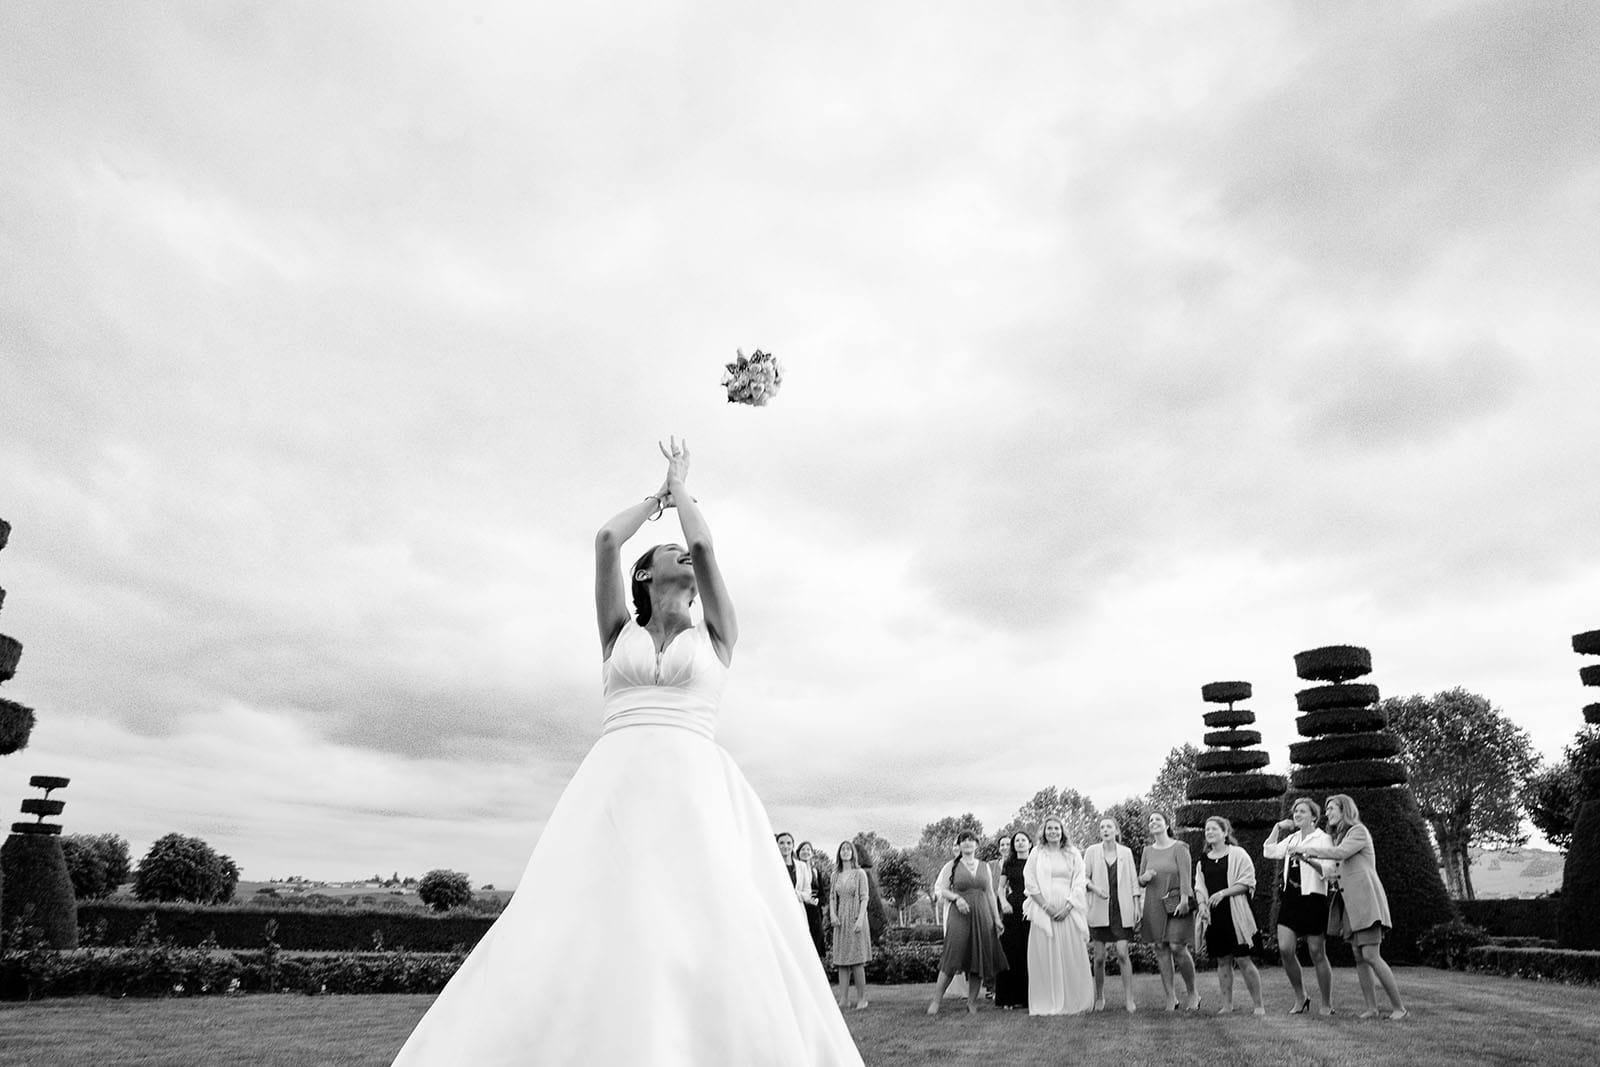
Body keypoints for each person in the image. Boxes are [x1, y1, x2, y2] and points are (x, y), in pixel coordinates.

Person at [391, 439, 863, 1066]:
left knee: (708, 922)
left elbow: (703, 547)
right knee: (591, 916)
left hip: (694, 791)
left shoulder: (717, 635)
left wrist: (682, 488)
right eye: (667, 552)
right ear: (645, 576)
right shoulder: (617, 633)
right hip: (614, 787)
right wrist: (656, 499)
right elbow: (606, 541)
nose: (683, 554)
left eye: (680, 548)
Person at [1291, 793, 1408, 1020]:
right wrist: (1307, 860)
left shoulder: (1358, 831)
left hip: (1366, 902)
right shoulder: (1341, 838)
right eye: (1327, 809)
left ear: (1345, 810)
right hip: (1351, 905)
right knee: (1359, 955)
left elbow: (1341, 854)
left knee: (1371, 955)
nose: (1327, 813)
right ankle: (1372, 1009)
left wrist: (1309, 849)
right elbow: (1333, 873)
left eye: (1331, 808)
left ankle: (1399, 1008)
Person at [1262, 797, 1334, 1015]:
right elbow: (1269, 851)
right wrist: (1277, 827)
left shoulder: (1324, 839)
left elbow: (1330, 871)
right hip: (1291, 898)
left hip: (1313, 898)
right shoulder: (1292, 838)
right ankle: (1301, 996)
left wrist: (1306, 858)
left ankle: (1326, 1004)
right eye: (1295, 812)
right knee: (1285, 949)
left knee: (1317, 952)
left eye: (1302, 811)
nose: (1297, 814)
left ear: (1314, 816)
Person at [927, 830, 1008, 1015]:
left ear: (976, 844)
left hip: (983, 914)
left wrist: (996, 919)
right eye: (963, 840)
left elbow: (990, 893)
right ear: (959, 845)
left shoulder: (984, 867)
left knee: (977, 958)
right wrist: (956, 898)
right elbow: (942, 890)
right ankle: (936, 1000)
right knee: (952, 957)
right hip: (959, 915)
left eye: (971, 840)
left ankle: (971, 1002)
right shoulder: (951, 866)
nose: (967, 843)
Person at [1022, 816, 1094, 1016]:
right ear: (1043, 832)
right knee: (1045, 957)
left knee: (1070, 954)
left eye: (1056, 828)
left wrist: (1068, 907)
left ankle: (1074, 1000)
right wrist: (1047, 908)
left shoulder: (1072, 853)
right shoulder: (1036, 853)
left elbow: (1079, 881)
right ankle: (1047, 1001)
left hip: (1068, 910)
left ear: (1062, 831)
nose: (1053, 832)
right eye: (1049, 828)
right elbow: (1030, 883)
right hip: (1043, 911)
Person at [1196, 815, 1265, 1015]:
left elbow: (1248, 882)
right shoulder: (1203, 861)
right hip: (1215, 916)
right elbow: (1199, 886)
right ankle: (1227, 1005)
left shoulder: (1238, 854)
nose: (1209, 832)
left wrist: (1223, 893)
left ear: (1225, 832)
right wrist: (1202, 905)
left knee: (1243, 959)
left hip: (1237, 914)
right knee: (1222, 961)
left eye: (1214, 829)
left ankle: (1258, 1006)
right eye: (1207, 829)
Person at [1138, 810, 1201, 1011]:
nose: (1153, 822)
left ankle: (1193, 994)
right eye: (1151, 820)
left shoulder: (1179, 847)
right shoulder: (1147, 851)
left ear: (1167, 825)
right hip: (1154, 904)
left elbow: (1186, 875)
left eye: (1158, 819)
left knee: (1177, 946)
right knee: (1160, 947)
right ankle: (1170, 998)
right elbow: (1140, 880)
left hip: (1177, 903)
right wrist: (1144, 877)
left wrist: (1185, 898)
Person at [1085, 816, 1140, 1013]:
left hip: (1121, 909)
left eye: (1109, 827)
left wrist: (1136, 906)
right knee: (1099, 957)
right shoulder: (1092, 852)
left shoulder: (1126, 852)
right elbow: (1083, 878)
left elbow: (1133, 881)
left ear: (1116, 830)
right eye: (1102, 827)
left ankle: (1129, 998)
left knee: (1123, 952)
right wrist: (1095, 888)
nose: (1105, 830)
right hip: (1099, 908)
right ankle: (1100, 997)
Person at [830, 841, 871, 1010]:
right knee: (842, 961)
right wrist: (833, 915)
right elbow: (832, 897)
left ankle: (862, 999)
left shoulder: (859, 873)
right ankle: (844, 999)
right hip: (840, 919)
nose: (845, 851)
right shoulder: (835, 875)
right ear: (839, 853)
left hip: (855, 917)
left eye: (848, 849)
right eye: (843, 849)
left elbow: (864, 897)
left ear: (853, 853)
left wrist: (860, 919)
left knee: (856, 960)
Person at [993, 831, 1032, 1010]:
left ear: (1030, 844)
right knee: (1010, 950)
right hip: (1013, 907)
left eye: (1023, 840)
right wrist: (1003, 902)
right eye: (1017, 841)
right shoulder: (1009, 863)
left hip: (1032, 907)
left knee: (1028, 951)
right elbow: (1000, 888)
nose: (1020, 843)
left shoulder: (1036, 861)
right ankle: (1007, 998)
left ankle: (1027, 998)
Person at [795, 839, 828, 959]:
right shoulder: (795, 869)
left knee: (816, 937)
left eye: (808, 849)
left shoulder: (815, 871)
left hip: (814, 909)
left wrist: (818, 900)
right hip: (800, 906)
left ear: (812, 853)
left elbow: (822, 893)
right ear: (798, 853)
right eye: (803, 849)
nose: (806, 852)